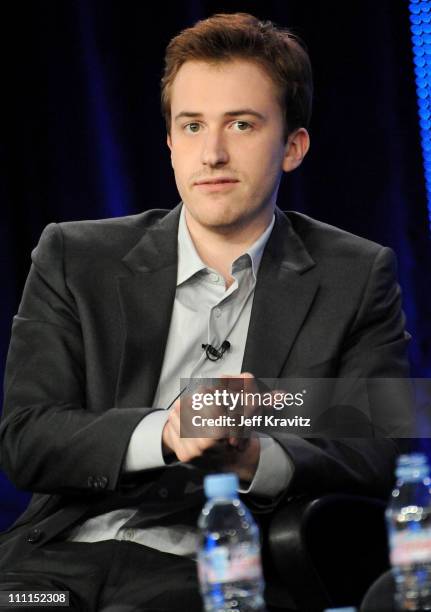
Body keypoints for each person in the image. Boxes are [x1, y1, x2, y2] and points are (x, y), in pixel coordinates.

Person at [0, 12, 410, 612]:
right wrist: (164, 431)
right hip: (52, 565)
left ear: (293, 146)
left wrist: (255, 453)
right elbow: (27, 437)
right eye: (192, 126)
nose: (212, 153)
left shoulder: (355, 273)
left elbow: (383, 445)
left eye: (241, 124)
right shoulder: (74, 255)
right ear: (169, 142)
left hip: (218, 568)